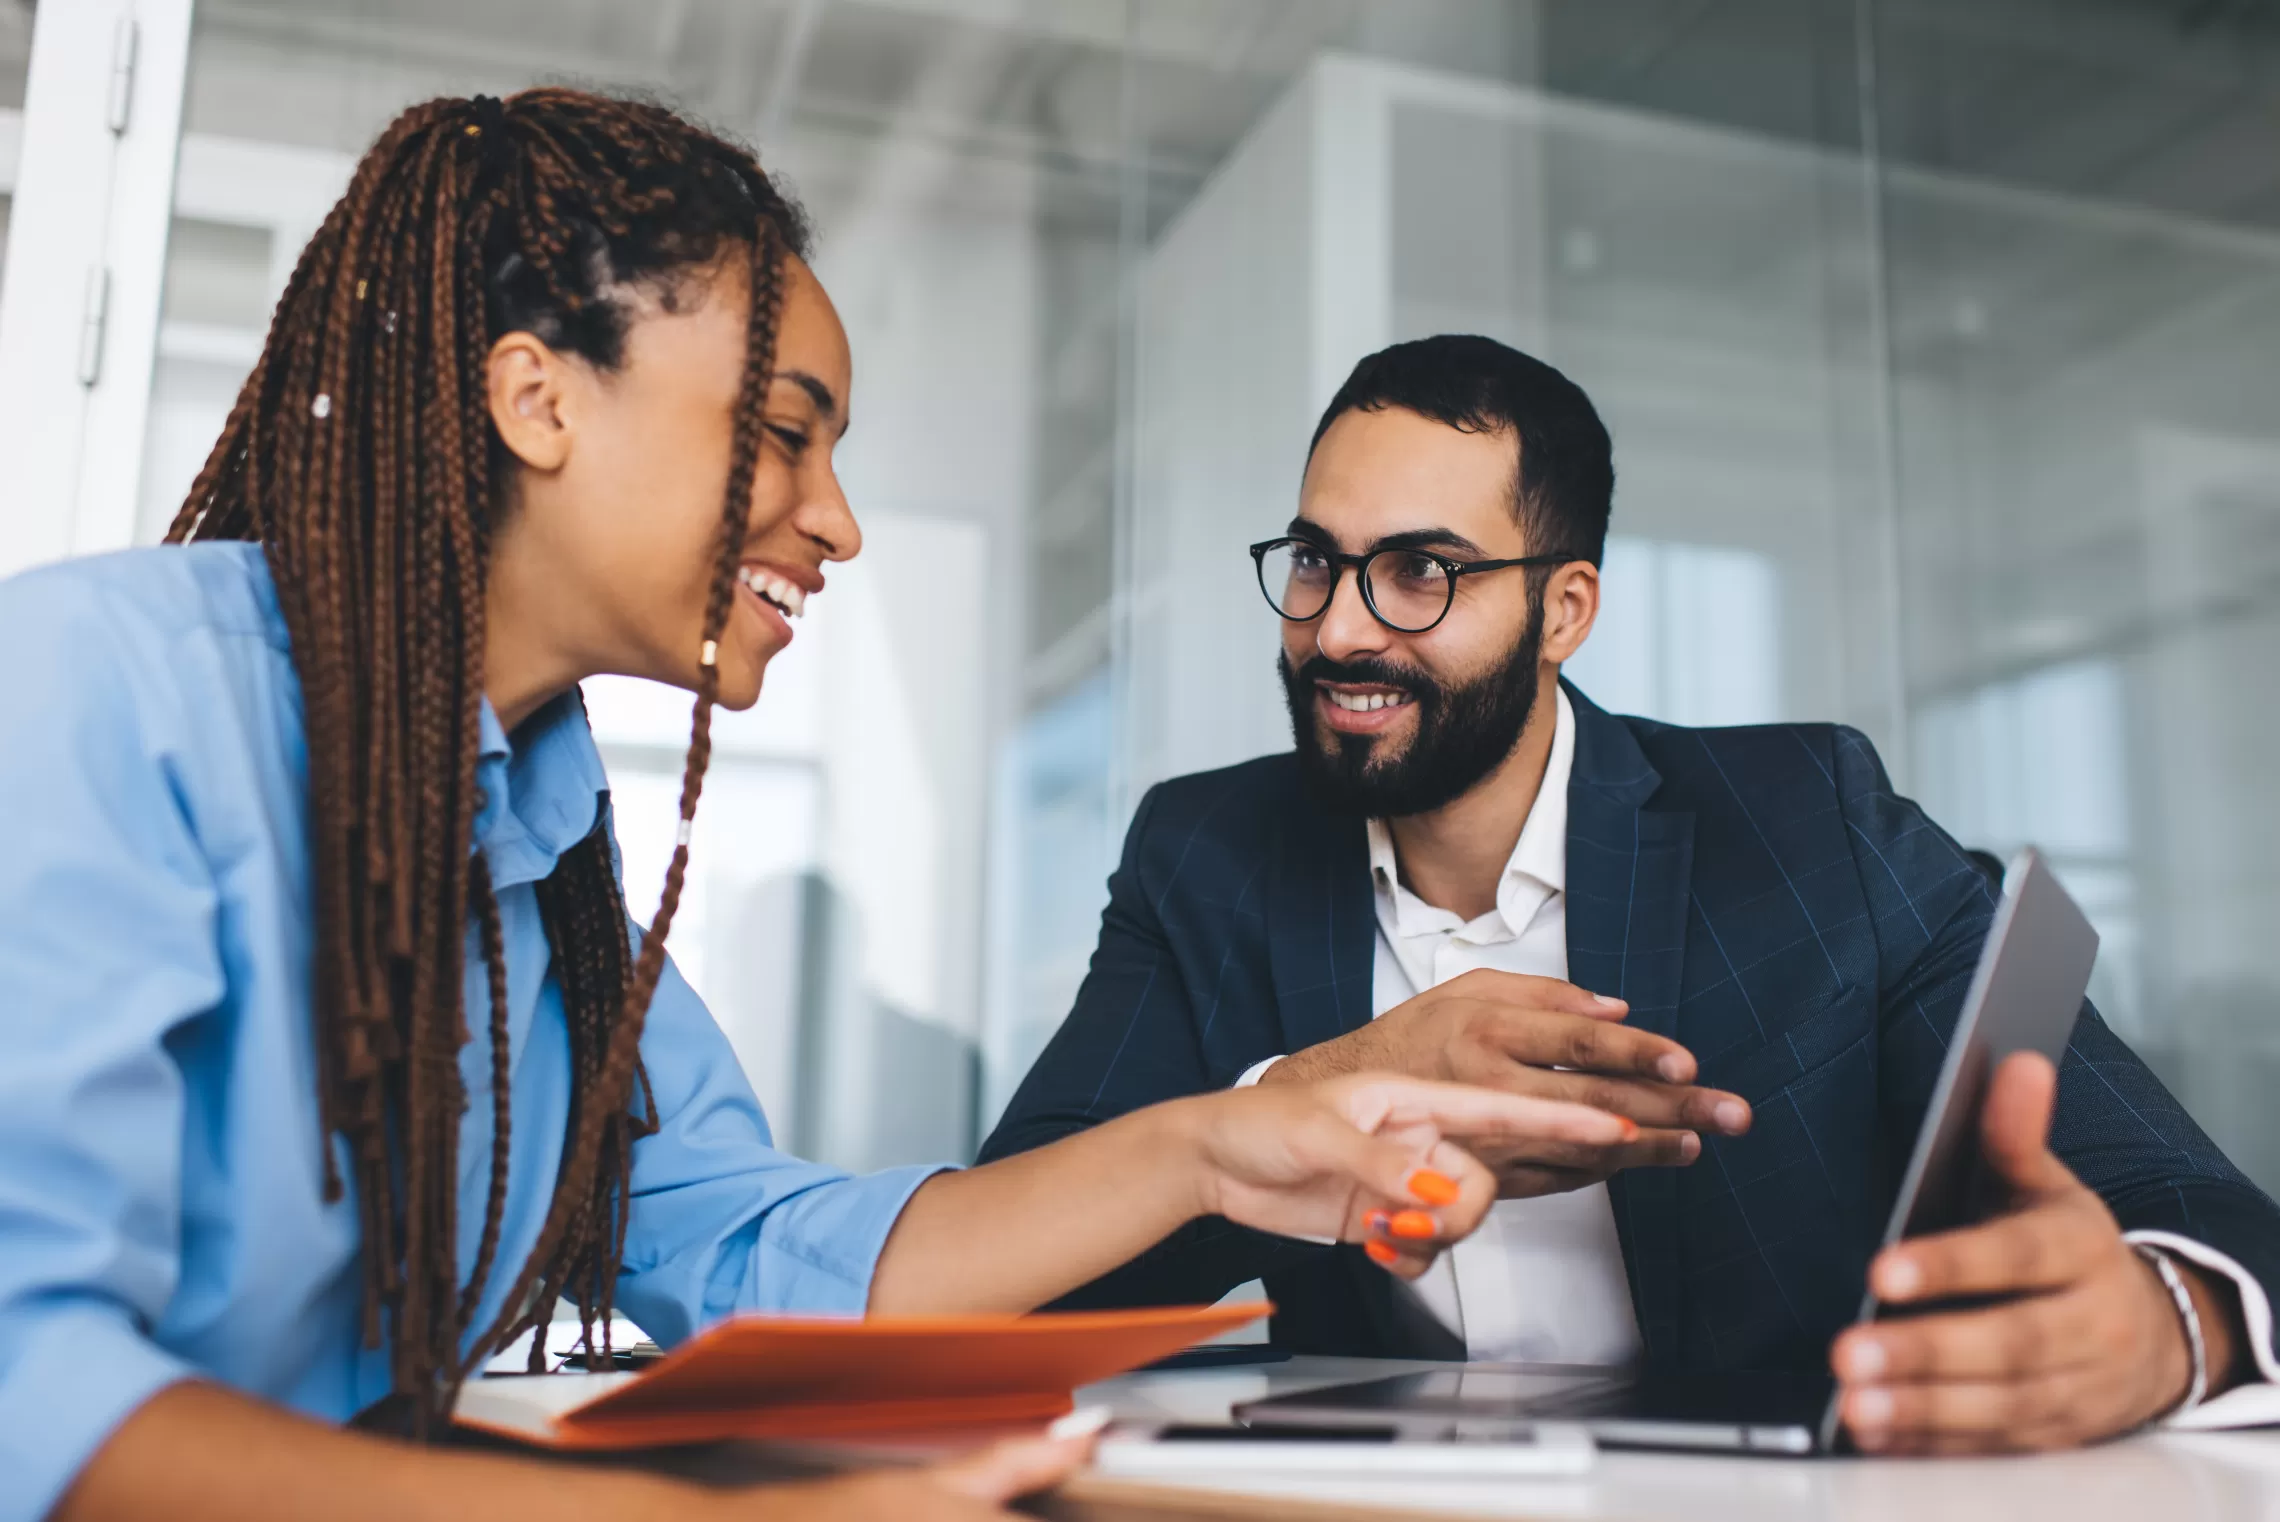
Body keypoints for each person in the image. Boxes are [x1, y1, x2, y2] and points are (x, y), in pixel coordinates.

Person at [0, 98, 1640, 1522]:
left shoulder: (541, 864)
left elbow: (780, 1255)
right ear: (537, 398)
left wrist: (1222, 1141)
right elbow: (30, 1393)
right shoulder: (97, 699)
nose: (837, 523)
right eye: (783, 435)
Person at [982, 333, 2280, 1454]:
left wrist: (2170, 1328)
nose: (1339, 629)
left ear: (1566, 610)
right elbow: (1006, 1282)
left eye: (1423, 571)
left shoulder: (1809, 823)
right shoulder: (1205, 850)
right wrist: (1304, 1094)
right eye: (1318, 560)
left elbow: (2202, 1209)